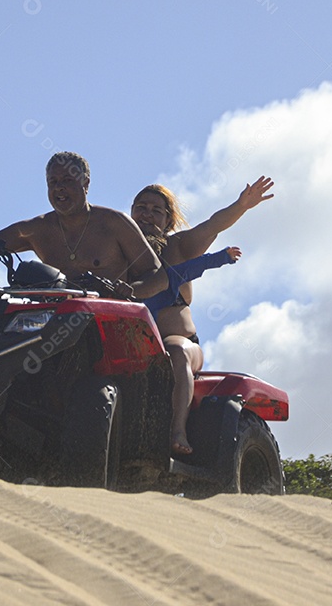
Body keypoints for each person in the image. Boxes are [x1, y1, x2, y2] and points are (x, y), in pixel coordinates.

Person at [131, 177, 274, 456]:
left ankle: (178, 431)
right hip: (132, 344)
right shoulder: (116, 252)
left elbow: (213, 224)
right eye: (141, 207)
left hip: (179, 342)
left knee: (176, 351)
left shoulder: (178, 247)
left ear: (168, 220)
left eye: (156, 210)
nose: (147, 214)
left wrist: (241, 205)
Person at [0, 152, 162, 296]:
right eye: (53, 182)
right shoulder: (36, 230)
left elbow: (157, 274)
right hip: (56, 324)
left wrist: (130, 291)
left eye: (68, 181)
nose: (59, 188)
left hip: (109, 319)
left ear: (85, 184)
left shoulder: (114, 223)